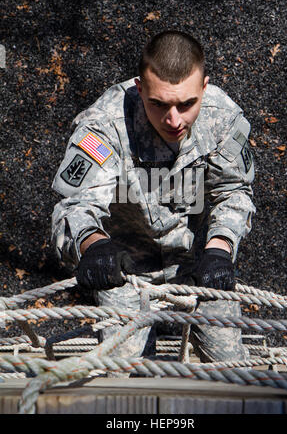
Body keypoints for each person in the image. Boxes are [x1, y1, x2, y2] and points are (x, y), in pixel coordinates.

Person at [51, 30, 255, 365]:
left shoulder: (223, 119)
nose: (173, 120)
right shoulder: (105, 125)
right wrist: (93, 243)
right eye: (158, 104)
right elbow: (75, 206)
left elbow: (233, 193)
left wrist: (220, 249)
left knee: (228, 367)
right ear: (139, 87)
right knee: (124, 374)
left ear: (204, 88)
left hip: (200, 264)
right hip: (124, 270)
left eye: (187, 104)